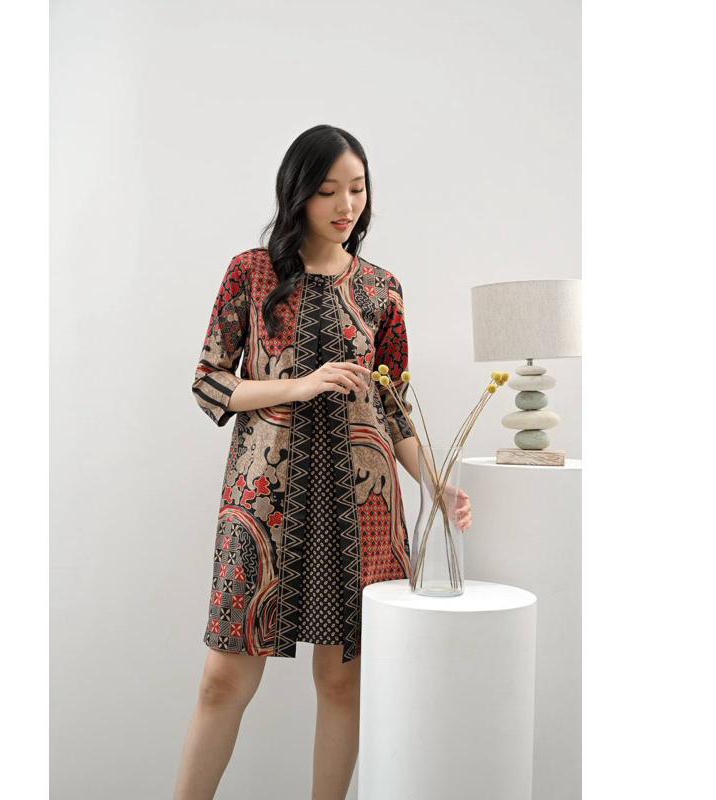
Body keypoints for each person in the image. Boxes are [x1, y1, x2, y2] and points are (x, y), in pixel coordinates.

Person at [174, 124, 472, 800]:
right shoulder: (252, 273)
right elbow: (209, 382)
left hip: (360, 509)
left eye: (358, 189)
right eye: (328, 190)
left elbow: (393, 407)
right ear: (298, 193)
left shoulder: (382, 289)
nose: (346, 205)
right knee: (222, 681)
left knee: (342, 682)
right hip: (262, 503)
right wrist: (299, 386)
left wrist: (436, 484)